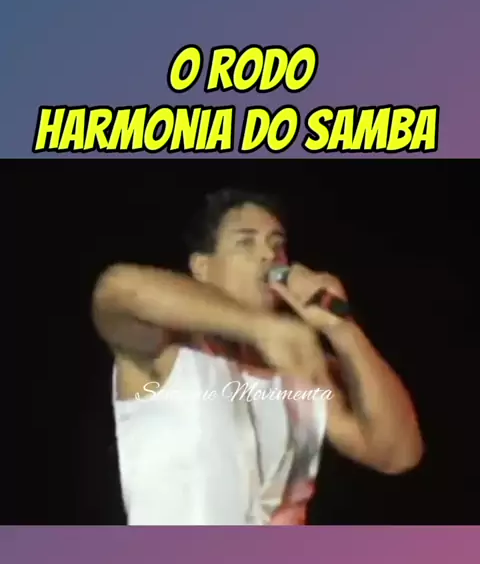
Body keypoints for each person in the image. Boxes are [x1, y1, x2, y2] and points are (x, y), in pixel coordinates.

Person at [92, 188, 423, 525]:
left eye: (277, 245)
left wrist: (342, 327)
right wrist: (260, 328)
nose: (268, 255)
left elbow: (398, 454)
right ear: (202, 267)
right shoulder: (167, 349)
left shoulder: (299, 365)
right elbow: (116, 289)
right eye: (246, 243)